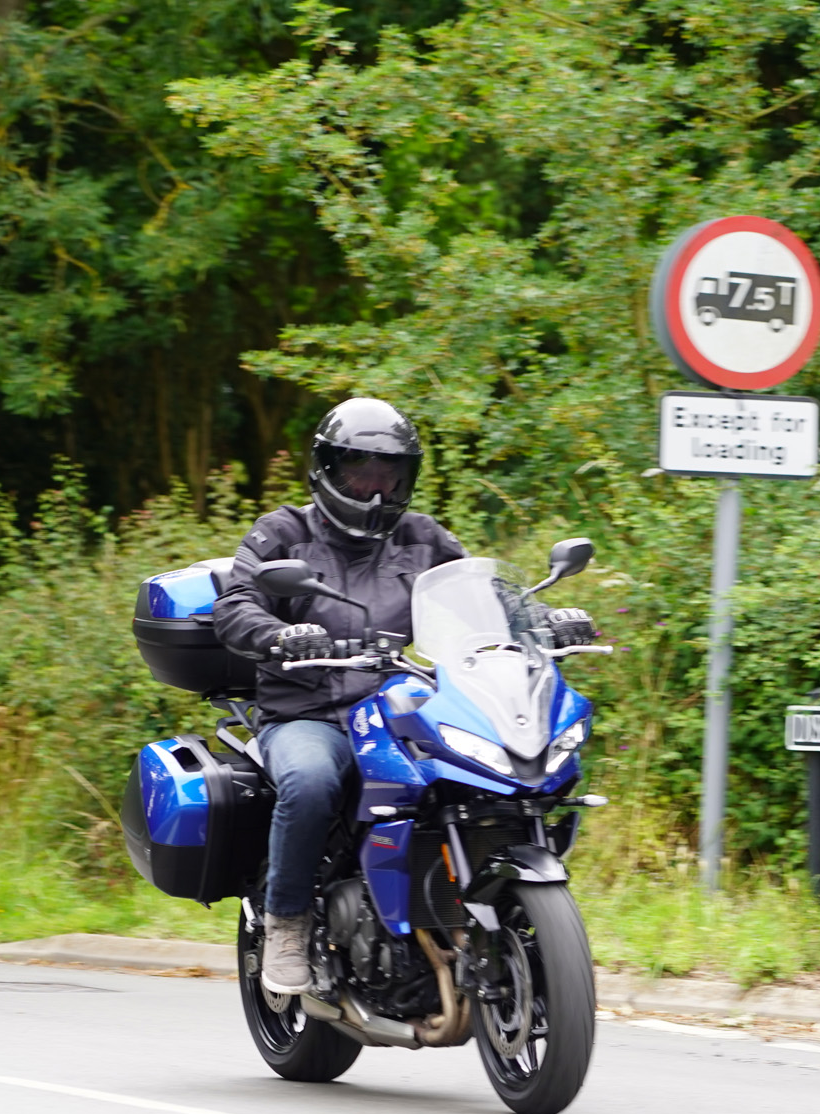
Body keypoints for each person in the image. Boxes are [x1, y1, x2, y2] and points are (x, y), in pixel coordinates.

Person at [215, 397, 597, 994]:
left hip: (400, 705)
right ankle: (286, 921)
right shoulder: (283, 532)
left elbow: (486, 598)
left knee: (491, 779)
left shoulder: (422, 538)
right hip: (309, 712)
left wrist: (547, 618)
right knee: (312, 782)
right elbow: (235, 605)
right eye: (360, 473)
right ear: (328, 470)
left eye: (389, 476)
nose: (374, 491)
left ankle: (479, 911)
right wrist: (279, 634)